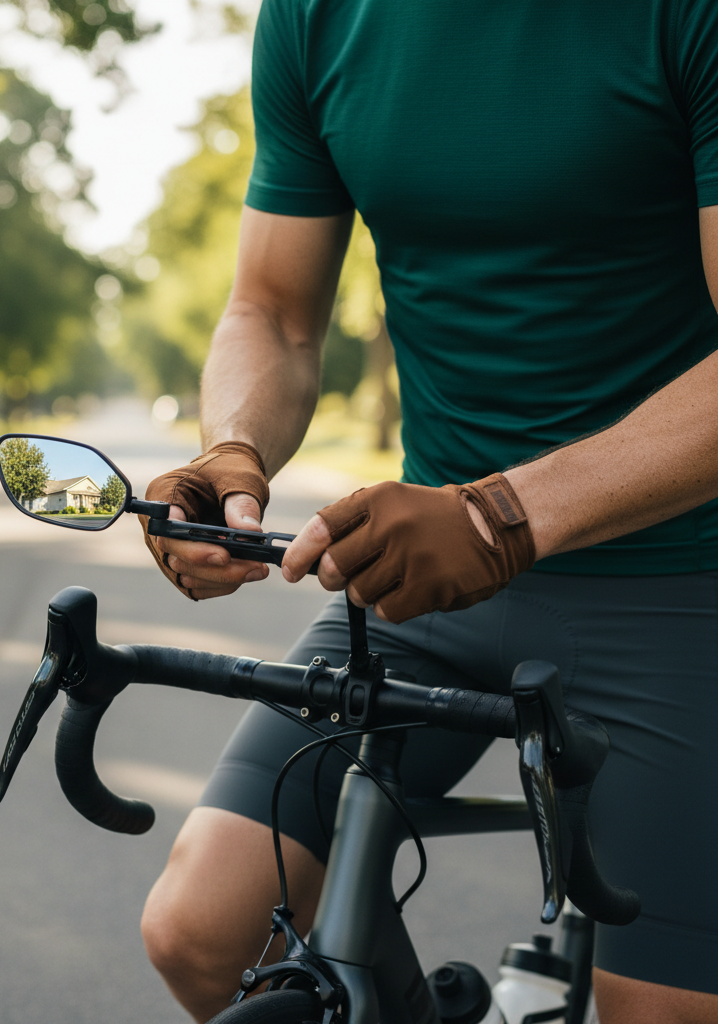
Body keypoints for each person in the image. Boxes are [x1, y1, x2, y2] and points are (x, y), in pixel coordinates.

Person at [136, 0, 718, 1021]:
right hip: (428, 586)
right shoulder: (317, 18)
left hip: (680, 582)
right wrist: (231, 451)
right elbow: (270, 308)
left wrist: (503, 515)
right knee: (200, 929)